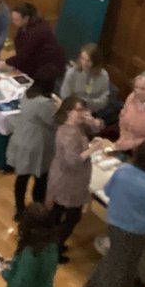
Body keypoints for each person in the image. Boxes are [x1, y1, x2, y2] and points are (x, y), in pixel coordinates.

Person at [81, 139, 145, 287]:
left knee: (114, 257)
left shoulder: (122, 171)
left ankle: (92, 285)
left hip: (114, 221)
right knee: (125, 267)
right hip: (135, 230)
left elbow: (108, 191)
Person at [47, 96, 100, 262]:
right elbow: (73, 162)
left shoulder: (74, 127)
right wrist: (93, 149)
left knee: (57, 213)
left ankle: (51, 244)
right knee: (72, 216)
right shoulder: (69, 134)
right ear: (69, 112)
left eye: (84, 110)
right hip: (69, 181)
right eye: (79, 110)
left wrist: (91, 120)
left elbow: (99, 127)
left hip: (64, 177)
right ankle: (54, 249)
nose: (83, 113)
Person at [6, 74, 57, 219]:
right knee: (40, 178)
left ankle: (19, 209)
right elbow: (52, 121)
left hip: (22, 138)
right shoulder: (44, 103)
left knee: (22, 177)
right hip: (37, 144)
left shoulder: (28, 94)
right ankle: (37, 211)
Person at [0, 2, 65, 81]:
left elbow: (24, 54)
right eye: (12, 19)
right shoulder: (25, 26)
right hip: (36, 62)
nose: (13, 22)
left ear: (26, 18)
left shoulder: (36, 32)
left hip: (48, 66)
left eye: (16, 20)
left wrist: (4, 63)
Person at [59, 43, 113, 115]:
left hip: (93, 112)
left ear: (95, 62)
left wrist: (88, 104)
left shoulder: (103, 75)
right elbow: (65, 96)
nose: (84, 63)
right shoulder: (71, 73)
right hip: (73, 111)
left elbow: (104, 99)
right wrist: (78, 107)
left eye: (88, 61)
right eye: (82, 58)